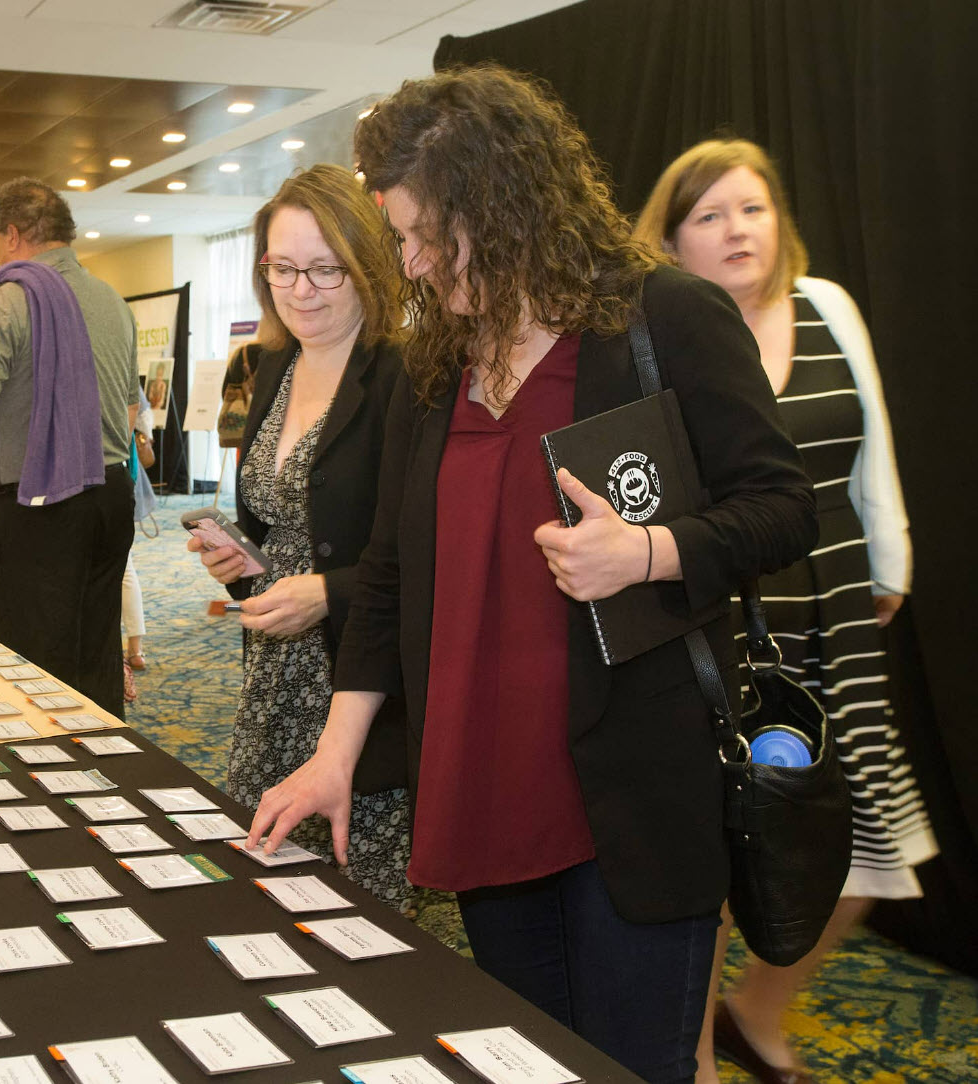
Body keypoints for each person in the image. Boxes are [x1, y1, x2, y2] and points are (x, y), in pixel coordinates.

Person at [246, 68, 818, 1084]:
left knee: (633, 1063)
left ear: (501, 199)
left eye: (429, 234)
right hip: (478, 790)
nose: (413, 263)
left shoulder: (661, 318)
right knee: (527, 1064)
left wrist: (643, 552)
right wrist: (336, 753)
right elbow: (386, 577)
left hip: (629, 802)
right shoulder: (440, 364)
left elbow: (781, 509)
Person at [635, 138, 934, 1084]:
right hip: (730, 621)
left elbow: (871, 440)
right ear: (674, 240)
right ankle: (692, 1050)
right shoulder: (662, 329)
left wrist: (892, 564)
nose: (737, 230)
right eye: (710, 215)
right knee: (731, 847)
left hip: (840, 612)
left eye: (752, 209)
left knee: (871, 849)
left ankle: (756, 1010)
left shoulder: (828, 305)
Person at [188, 164, 415, 909]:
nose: (301, 289)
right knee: (262, 886)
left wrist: (329, 592)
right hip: (273, 673)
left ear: (369, 266)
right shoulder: (276, 365)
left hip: (363, 681)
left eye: (325, 269)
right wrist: (238, 566)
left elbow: (429, 548)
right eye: (282, 268)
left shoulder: (403, 376)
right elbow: (275, 523)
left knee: (358, 901)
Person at [0, 177, 138, 717]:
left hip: (35, 503)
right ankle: (102, 773)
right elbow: (132, 409)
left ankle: (36, 789)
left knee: (28, 664)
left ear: (13, 235)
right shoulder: (113, 299)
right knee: (95, 648)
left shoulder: (6, 294)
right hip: (111, 493)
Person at [122, 388, 155, 671]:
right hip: (121, 475)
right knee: (125, 567)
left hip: (94, 481)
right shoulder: (121, 358)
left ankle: (132, 647)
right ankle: (135, 648)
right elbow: (144, 417)